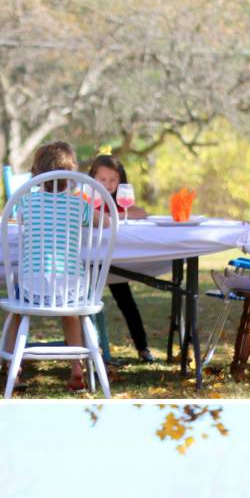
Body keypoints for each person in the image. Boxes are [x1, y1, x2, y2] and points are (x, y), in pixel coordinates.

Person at [7, 141, 92, 392]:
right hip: (70, 289)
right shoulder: (79, 205)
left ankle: (16, 367)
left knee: (16, 313)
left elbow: (10, 215)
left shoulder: (26, 203)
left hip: (32, 288)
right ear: (71, 173)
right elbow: (107, 222)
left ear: (35, 174)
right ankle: (77, 367)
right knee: (71, 313)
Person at [87, 154, 153, 362]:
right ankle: (89, 349)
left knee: (126, 300)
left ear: (120, 181)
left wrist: (112, 215)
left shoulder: (117, 203)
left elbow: (141, 212)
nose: (107, 185)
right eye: (102, 179)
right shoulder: (86, 199)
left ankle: (142, 347)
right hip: (85, 261)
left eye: (113, 180)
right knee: (85, 303)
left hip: (110, 260)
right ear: (92, 179)